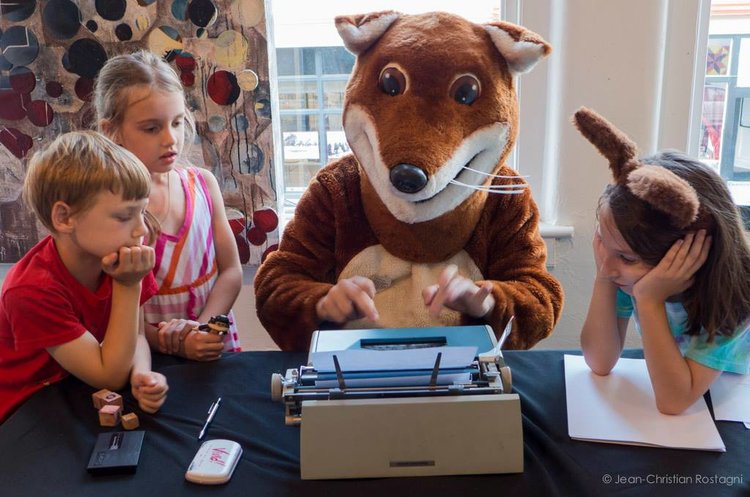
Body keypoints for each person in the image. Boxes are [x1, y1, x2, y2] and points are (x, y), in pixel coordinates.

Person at [574, 107, 750, 415]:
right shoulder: (626, 273)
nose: (610, 266)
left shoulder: (735, 297)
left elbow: (673, 402)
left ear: (691, 254)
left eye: (626, 257)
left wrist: (649, 301)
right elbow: (599, 361)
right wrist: (605, 275)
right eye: (603, 242)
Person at [0, 131, 169, 422]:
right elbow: (110, 376)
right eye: (124, 216)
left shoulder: (119, 258)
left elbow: (137, 334)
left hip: (81, 391)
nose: (141, 229)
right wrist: (128, 285)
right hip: (27, 410)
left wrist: (142, 373)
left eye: (142, 212)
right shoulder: (30, 290)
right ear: (64, 218)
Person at [94, 50, 243, 361]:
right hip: (150, 361)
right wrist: (172, 341)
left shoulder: (203, 184)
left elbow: (230, 271)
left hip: (213, 349)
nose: (170, 139)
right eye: (151, 128)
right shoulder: (111, 211)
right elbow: (112, 309)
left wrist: (202, 329)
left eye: (176, 123)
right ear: (111, 131)